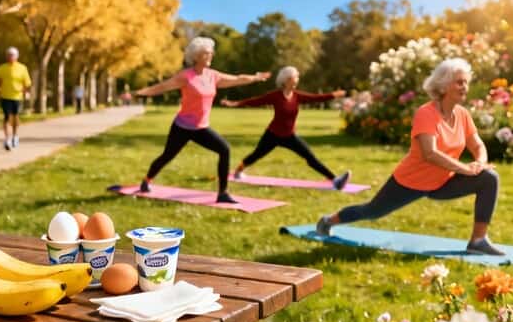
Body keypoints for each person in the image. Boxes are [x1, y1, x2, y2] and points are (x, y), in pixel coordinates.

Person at [316, 58, 504, 255]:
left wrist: (480, 163)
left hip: (442, 183)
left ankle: (478, 240)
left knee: (489, 179)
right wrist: (465, 168)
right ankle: (329, 220)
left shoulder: (463, 114)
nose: (465, 87)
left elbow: (477, 144)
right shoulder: (426, 113)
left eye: (466, 82)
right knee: (372, 211)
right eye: (459, 82)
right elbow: (429, 153)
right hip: (410, 182)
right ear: (443, 85)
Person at [133, 36, 271, 203]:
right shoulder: (186, 76)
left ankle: (222, 193)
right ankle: (146, 180)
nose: (211, 55)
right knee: (167, 156)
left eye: (211, 53)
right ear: (196, 56)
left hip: (201, 128)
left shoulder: (213, 76)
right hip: (182, 127)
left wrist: (255, 77)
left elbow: (237, 79)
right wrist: (141, 92)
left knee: (224, 149)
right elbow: (162, 87)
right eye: (207, 53)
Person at [221, 66, 351, 189]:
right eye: (296, 77)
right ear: (288, 79)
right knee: (256, 155)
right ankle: (238, 170)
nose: (298, 79)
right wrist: (235, 103)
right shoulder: (276, 95)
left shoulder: (297, 96)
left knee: (310, 157)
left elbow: (315, 98)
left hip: (290, 136)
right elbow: (256, 101)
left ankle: (335, 180)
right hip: (272, 135)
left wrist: (333, 95)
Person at [0, 47, 31, 150]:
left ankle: (15, 136)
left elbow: (27, 83)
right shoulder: (2, 68)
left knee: (15, 117)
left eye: (12, 55)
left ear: (17, 56)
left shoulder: (22, 68)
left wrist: (25, 92)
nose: (10, 57)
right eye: (9, 55)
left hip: (17, 97)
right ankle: (7, 139)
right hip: (5, 96)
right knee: (6, 117)